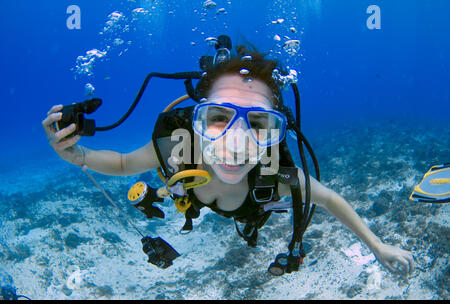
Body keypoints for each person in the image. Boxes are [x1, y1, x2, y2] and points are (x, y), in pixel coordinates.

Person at [42, 43, 414, 276]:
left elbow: (330, 199)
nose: (236, 143)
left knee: (242, 215)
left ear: (276, 130)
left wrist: (377, 246)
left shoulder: (274, 173)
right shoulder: (179, 147)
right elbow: (123, 164)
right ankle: (165, 193)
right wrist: (80, 155)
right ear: (195, 118)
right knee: (173, 189)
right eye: (218, 117)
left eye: (259, 124)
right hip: (190, 191)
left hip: (250, 212)